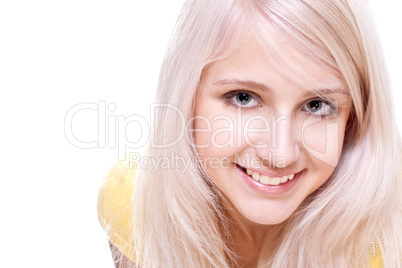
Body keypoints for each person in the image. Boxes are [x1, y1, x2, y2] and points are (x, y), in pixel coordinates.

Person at [97, 0, 402, 267]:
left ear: (354, 119)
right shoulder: (133, 202)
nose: (280, 154)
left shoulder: (380, 250)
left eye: (316, 105)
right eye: (244, 98)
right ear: (187, 96)